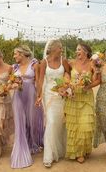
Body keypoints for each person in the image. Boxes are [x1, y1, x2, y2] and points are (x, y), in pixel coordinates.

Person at [36, 40, 70, 168]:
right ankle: (48, 156)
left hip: (62, 96)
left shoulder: (64, 61)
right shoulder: (44, 62)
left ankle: (60, 150)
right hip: (49, 95)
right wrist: (38, 96)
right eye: (60, 47)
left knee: (61, 123)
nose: (61, 49)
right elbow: (40, 80)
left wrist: (65, 84)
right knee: (51, 122)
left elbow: (68, 73)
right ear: (54, 48)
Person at [11, 45, 44, 169]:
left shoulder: (34, 64)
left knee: (31, 122)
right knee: (20, 123)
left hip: (31, 95)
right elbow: (10, 82)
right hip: (18, 97)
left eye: (16, 54)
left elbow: (39, 81)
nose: (14, 56)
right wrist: (11, 85)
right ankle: (20, 149)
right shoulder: (14, 67)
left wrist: (39, 96)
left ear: (22, 54)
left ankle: (32, 143)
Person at [64, 43, 98, 164]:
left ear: (85, 52)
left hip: (86, 98)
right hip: (73, 97)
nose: (76, 51)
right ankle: (78, 153)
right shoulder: (71, 63)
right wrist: (67, 83)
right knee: (75, 126)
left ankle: (84, 149)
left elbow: (98, 80)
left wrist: (88, 87)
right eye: (76, 49)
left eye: (78, 50)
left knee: (85, 125)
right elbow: (66, 74)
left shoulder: (92, 63)